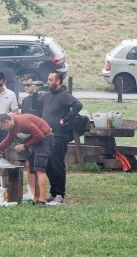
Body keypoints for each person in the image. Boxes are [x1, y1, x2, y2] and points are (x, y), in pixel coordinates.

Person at [41, 71, 83, 205]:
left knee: (57, 165)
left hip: (59, 135)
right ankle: (53, 192)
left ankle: (60, 194)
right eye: (48, 79)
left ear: (58, 81)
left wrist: (65, 119)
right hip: (46, 135)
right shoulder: (47, 96)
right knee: (47, 166)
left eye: (50, 79)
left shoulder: (64, 95)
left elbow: (78, 105)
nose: (47, 81)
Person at [0, 113, 54, 205]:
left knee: (39, 170)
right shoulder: (12, 127)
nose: (3, 129)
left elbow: (40, 135)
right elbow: (8, 140)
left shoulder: (23, 122)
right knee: (33, 170)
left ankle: (42, 199)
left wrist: (25, 145)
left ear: (6, 122)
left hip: (45, 139)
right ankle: (36, 198)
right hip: (36, 140)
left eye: (2, 126)